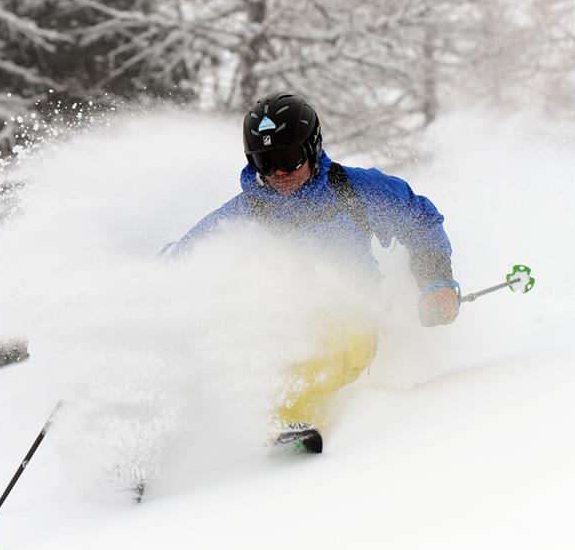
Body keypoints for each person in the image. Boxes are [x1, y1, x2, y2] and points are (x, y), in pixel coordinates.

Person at [165, 92, 459, 452]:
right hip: (272, 327)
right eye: (264, 162)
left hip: (353, 324)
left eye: (288, 158)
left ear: (313, 148)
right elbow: (184, 260)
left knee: (336, 344)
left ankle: (286, 425)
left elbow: (420, 222)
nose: (278, 173)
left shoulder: (354, 191)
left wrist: (437, 283)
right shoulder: (245, 215)